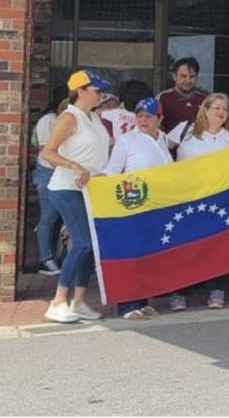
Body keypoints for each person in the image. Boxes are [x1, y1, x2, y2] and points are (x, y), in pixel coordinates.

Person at [40, 70, 113, 323]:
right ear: (80, 91)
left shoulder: (94, 117)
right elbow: (48, 152)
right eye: (96, 90)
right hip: (66, 188)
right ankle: (58, 301)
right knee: (82, 243)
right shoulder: (70, 117)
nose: (101, 94)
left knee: (90, 247)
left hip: (89, 189)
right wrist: (74, 165)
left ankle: (79, 301)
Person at [167, 93, 229, 309]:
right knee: (184, 246)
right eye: (216, 107)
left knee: (216, 246)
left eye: (225, 109)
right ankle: (179, 291)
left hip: (217, 200)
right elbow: (158, 147)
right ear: (205, 109)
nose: (221, 112)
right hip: (186, 198)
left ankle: (215, 289)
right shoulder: (185, 130)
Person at [101, 97, 173, 320]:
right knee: (131, 255)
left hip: (156, 206)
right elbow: (112, 171)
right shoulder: (127, 140)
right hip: (133, 205)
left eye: (149, 116)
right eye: (140, 115)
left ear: (159, 119)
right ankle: (127, 305)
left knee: (148, 256)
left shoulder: (162, 139)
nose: (143, 120)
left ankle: (142, 301)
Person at [31, 101, 63, 275]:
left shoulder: (65, 119)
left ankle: (56, 256)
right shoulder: (48, 120)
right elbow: (45, 150)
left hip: (60, 170)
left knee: (58, 217)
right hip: (48, 171)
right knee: (48, 216)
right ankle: (45, 259)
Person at [157, 57, 207, 134]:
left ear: (197, 77)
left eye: (192, 76)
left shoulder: (205, 100)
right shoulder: (162, 98)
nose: (188, 80)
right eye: (183, 76)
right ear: (174, 76)